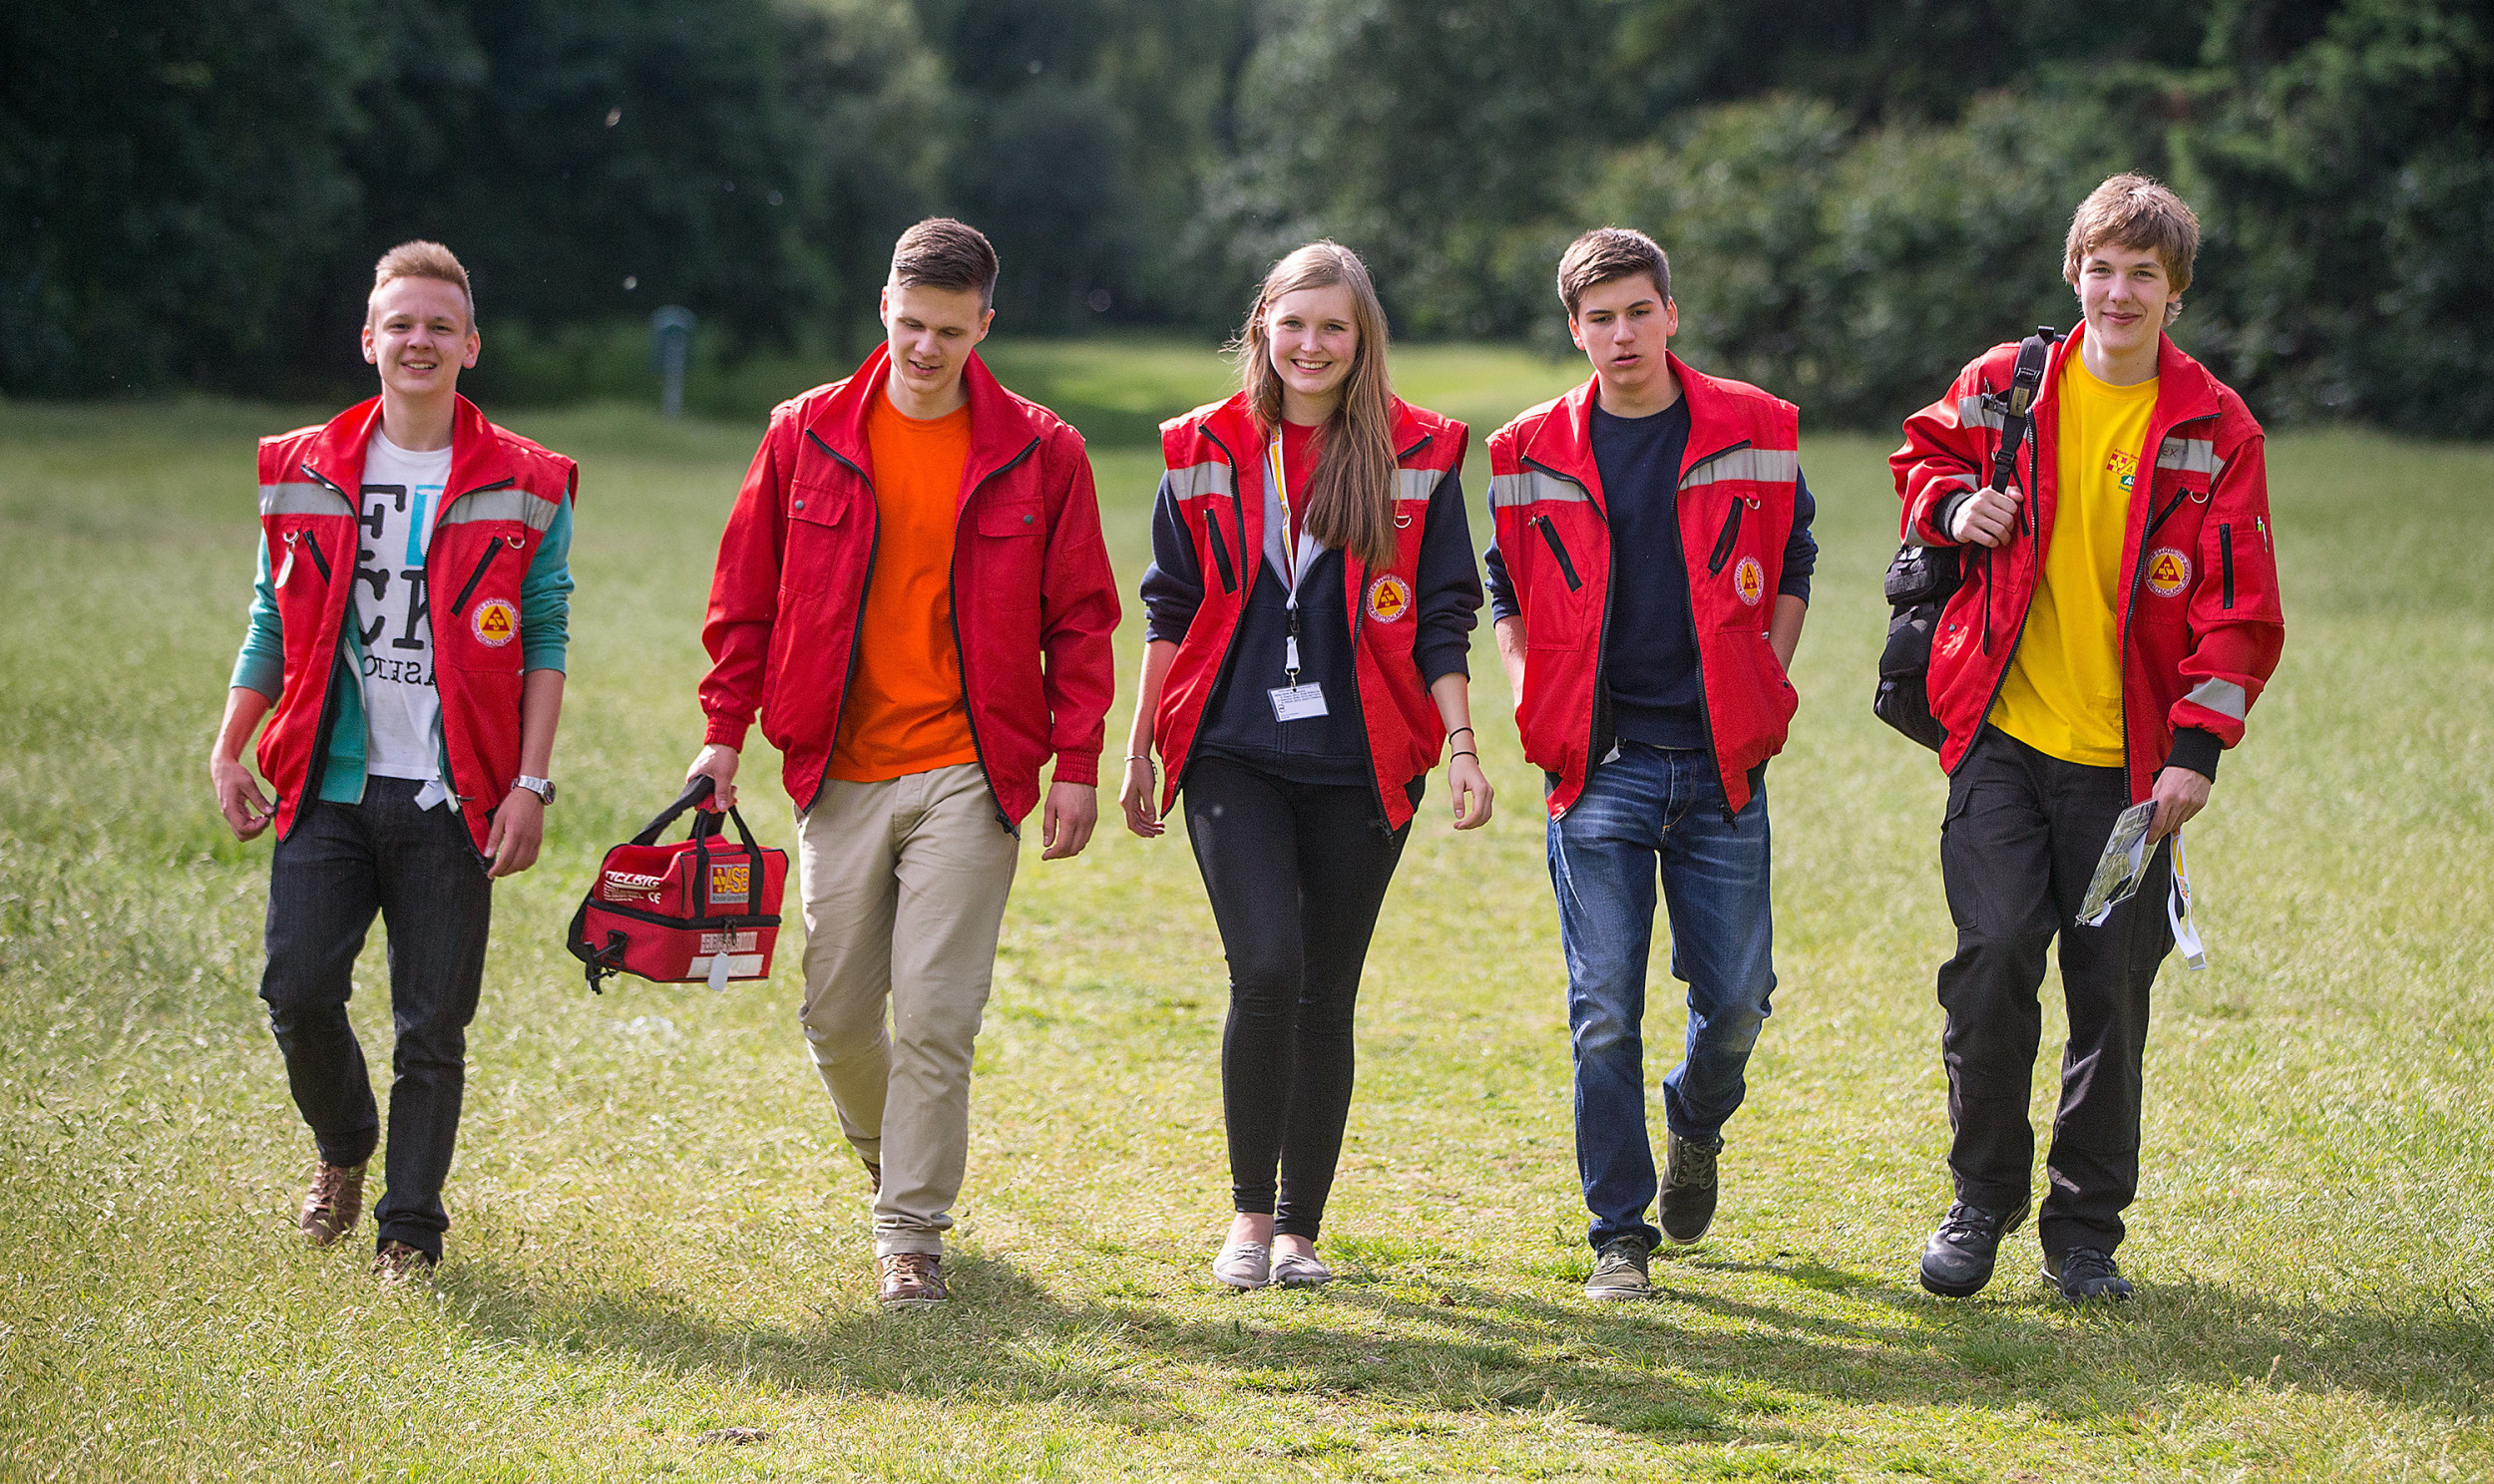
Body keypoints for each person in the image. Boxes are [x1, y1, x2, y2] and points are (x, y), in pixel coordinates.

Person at [687, 218, 1120, 1309]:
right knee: (833, 1014)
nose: (924, 349)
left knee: (935, 1010)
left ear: (985, 324)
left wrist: (1076, 761)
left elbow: (1079, 619)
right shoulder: (806, 433)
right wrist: (721, 736)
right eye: (908, 324)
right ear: (883, 308)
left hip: (973, 765)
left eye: (947, 330)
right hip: (836, 763)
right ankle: (891, 1157)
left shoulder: (1042, 450)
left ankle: (910, 1234)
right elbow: (744, 600)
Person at [1891, 175, 2285, 1302]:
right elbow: (1921, 461)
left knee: (2108, 988)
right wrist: (1952, 507)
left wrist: (2193, 753)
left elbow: (2239, 609)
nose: (2118, 292)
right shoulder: (2008, 386)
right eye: (2100, 270)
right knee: (1993, 954)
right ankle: (1978, 1202)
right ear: (2074, 275)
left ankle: (2083, 1235)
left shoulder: (2217, 428)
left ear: (2174, 294)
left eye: (2142, 276)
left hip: (2129, 771)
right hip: (1999, 737)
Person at [1119, 241, 1492, 1290]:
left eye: (1334, 327)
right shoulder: (1199, 448)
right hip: (1230, 749)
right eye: (1294, 324)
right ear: (1262, 332)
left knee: (1327, 992)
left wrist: (1461, 747)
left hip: (1364, 756)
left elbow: (1444, 616)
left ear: (1361, 339)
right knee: (1267, 969)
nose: (1312, 345)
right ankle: (1245, 1221)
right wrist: (1140, 746)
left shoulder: (1418, 452)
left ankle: (1300, 1231)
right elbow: (1169, 605)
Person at [209, 240, 576, 1279]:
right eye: (399, 324)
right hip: (328, 786)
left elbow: (544, 636)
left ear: (470, 345)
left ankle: (410, 1229)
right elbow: (271, 616)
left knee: (432, 1024)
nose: (419, 341)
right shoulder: (301, 466)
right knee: (298, 990)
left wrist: (529, 784)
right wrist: (230, 744)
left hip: (455, 795)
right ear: (369, 340)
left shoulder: (528, 481)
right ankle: (343, 1149)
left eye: (438, 326)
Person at [1484, 227, 1816, 1302]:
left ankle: (1695, 1119)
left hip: (1721, 763)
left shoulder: (1756, 428)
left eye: (1637, 311)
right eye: (1598, 318)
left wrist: (1765, 675)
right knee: (1602, 1011)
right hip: (1600, 767)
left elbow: (1795, 557)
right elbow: (1504, 585)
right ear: (1572, 329)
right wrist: (1530, 687)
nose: (1619, 334)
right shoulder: (1526, 450)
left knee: (1736, 1005)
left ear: (1670, 314)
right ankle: (1617, 1235)